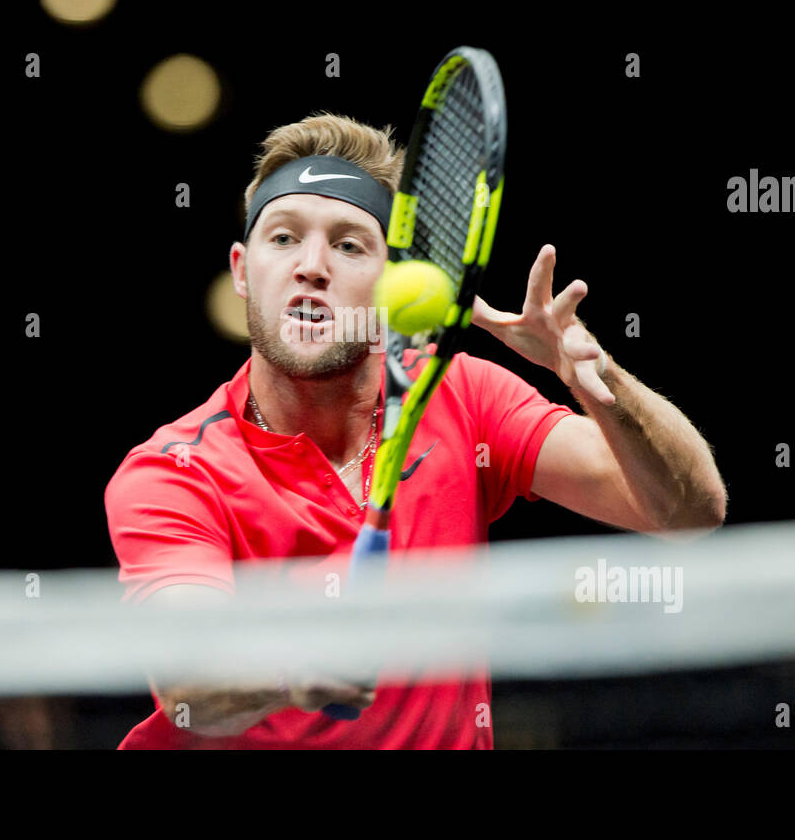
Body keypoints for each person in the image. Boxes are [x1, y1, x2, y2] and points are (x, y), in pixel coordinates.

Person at [104, 112, 727, 748]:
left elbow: (689, 511)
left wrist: (600, 381)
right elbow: (190, 682)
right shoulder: (173, 471)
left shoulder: (461, 393)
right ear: (242, 269)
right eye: (284, 238)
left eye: (349, 245)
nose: (312, 266)